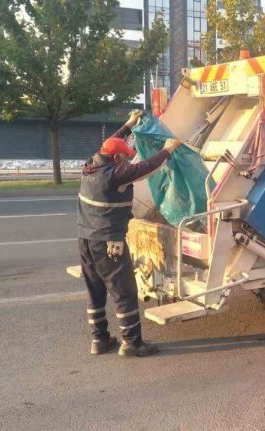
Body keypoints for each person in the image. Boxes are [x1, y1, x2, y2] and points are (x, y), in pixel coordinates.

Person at [77, 110, 181, 357]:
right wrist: (168, 149)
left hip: (85, 240)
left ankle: (100, 340)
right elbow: (147, 167)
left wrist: (129, 125)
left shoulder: (90, 166)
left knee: (96, 291)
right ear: (116, 158)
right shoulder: (116, 174)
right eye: (125, 157)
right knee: (124, 292)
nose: (128, 161)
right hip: (108, 243)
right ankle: (132, 343)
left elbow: (111, 142)